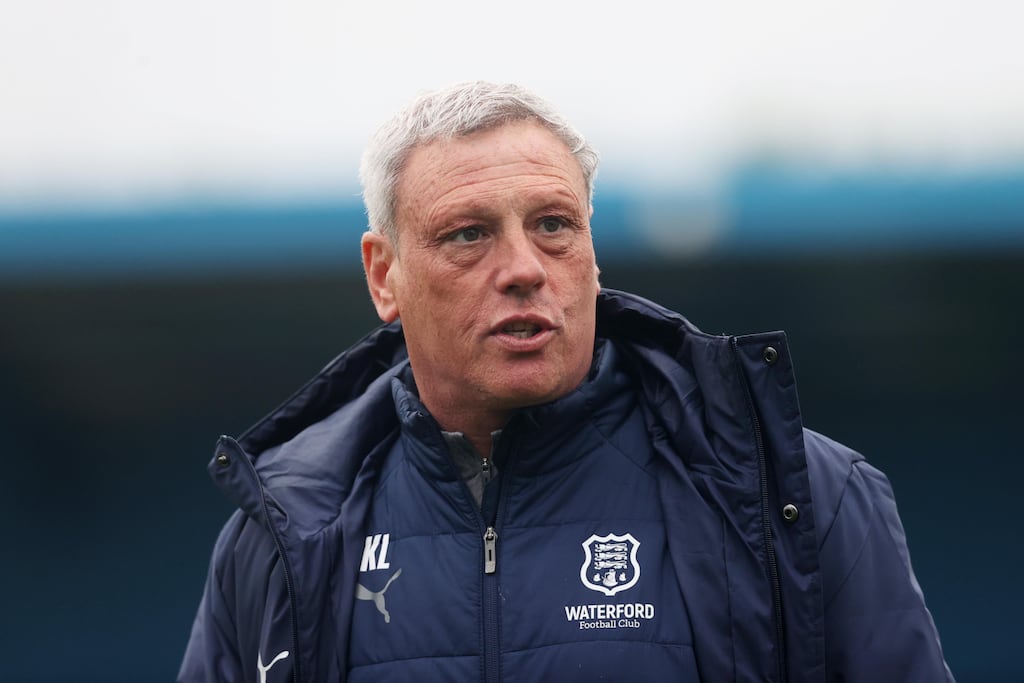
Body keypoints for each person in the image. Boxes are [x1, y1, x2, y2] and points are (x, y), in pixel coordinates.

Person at [179, 81, 954, 682]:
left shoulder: (797, 495)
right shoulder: (281, 535)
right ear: (385, 275)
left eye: (553, 225)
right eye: (469, 234)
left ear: (591, 252)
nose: (522, 269)